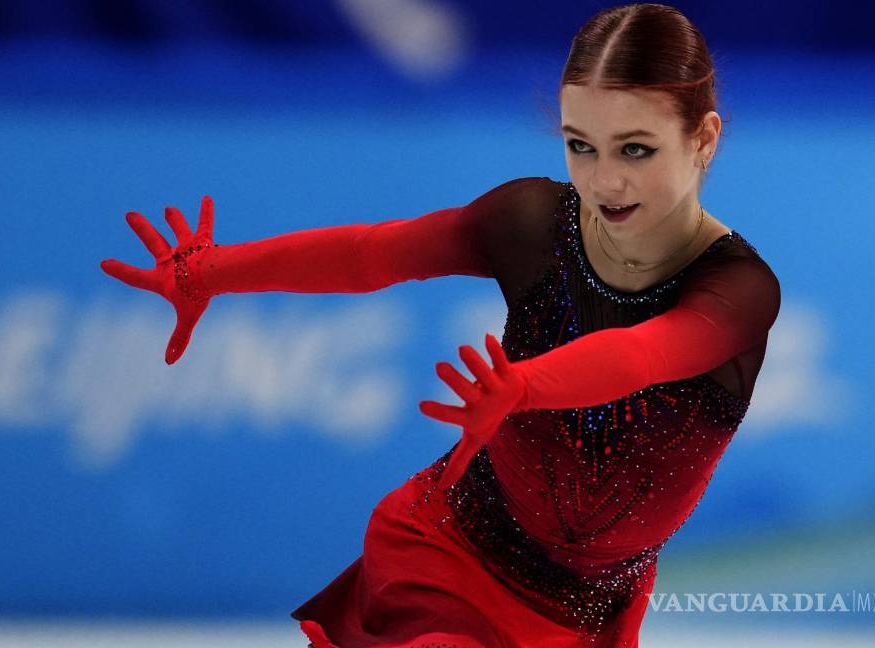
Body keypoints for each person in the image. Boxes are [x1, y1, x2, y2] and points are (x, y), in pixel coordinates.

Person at [100, 3, 781, 646]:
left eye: (635, 150)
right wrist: (214, 270)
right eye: (581, 145)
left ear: (704, 139)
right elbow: (375, 253)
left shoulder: (738, 290)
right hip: (445, 552)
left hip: (583, 612)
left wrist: (522, 387)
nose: (603, 181)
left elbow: (643, 355)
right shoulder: (532, 224)